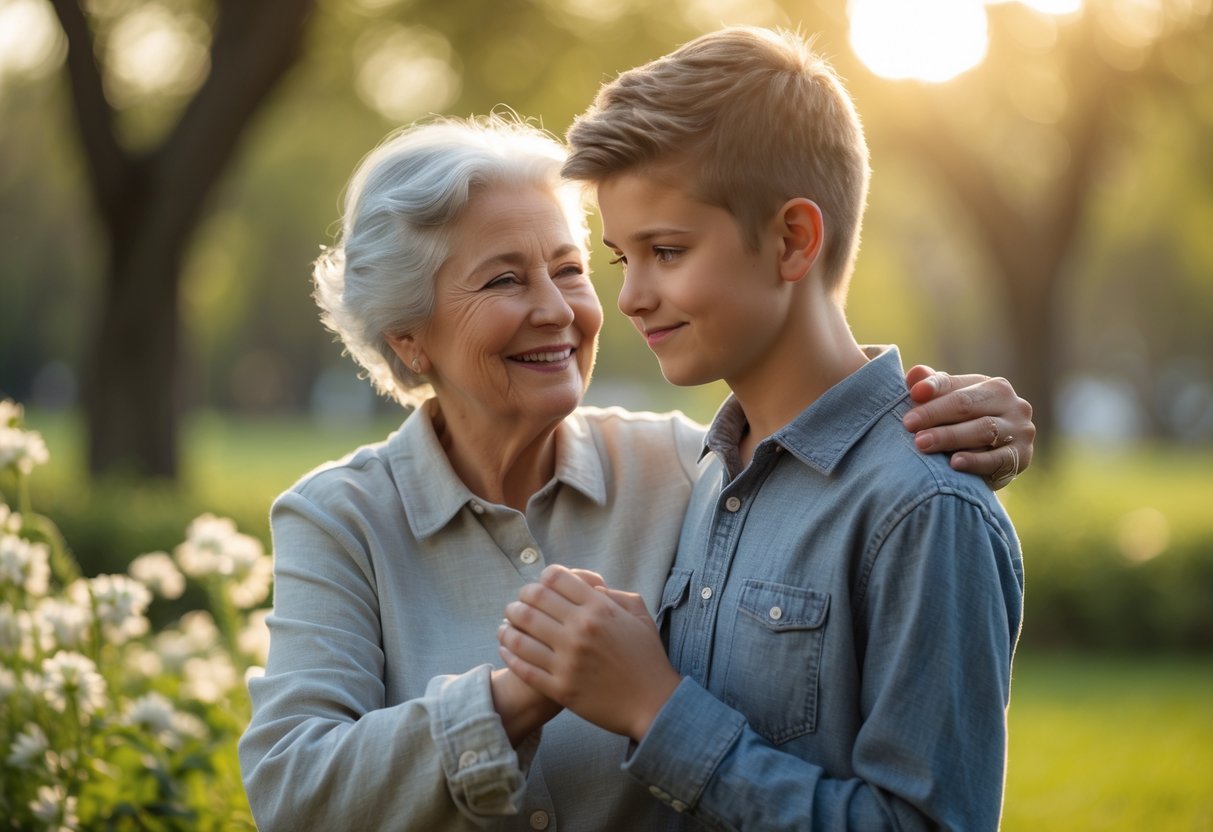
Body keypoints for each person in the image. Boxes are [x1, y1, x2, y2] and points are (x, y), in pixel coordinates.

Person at [237, 114, 1033, 829]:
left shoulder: (694, 468)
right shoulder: (338, 520)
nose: (561, 309)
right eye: (506, 279)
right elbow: (293, 788)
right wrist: (517, 696)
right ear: (410, 338)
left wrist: (946, 418)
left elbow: (832, 449)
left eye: (571, 268)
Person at [499, 27, 1024, 830]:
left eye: (666, 251)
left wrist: (656, 707)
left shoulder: (923, 507)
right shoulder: (712, 473)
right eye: (618, 260)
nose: (631, 297)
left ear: (792, 240)